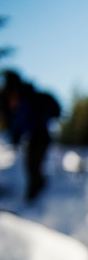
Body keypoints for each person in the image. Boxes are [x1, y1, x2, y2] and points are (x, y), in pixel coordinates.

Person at [1, 70, 61, 203]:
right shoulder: (14, 100)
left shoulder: (28, 98)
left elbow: (24, 120)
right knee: (31, 166)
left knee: (33, 166)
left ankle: (37, 198)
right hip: (34, 136)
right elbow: (18, 123)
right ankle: (35, 197)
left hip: (40, 135)